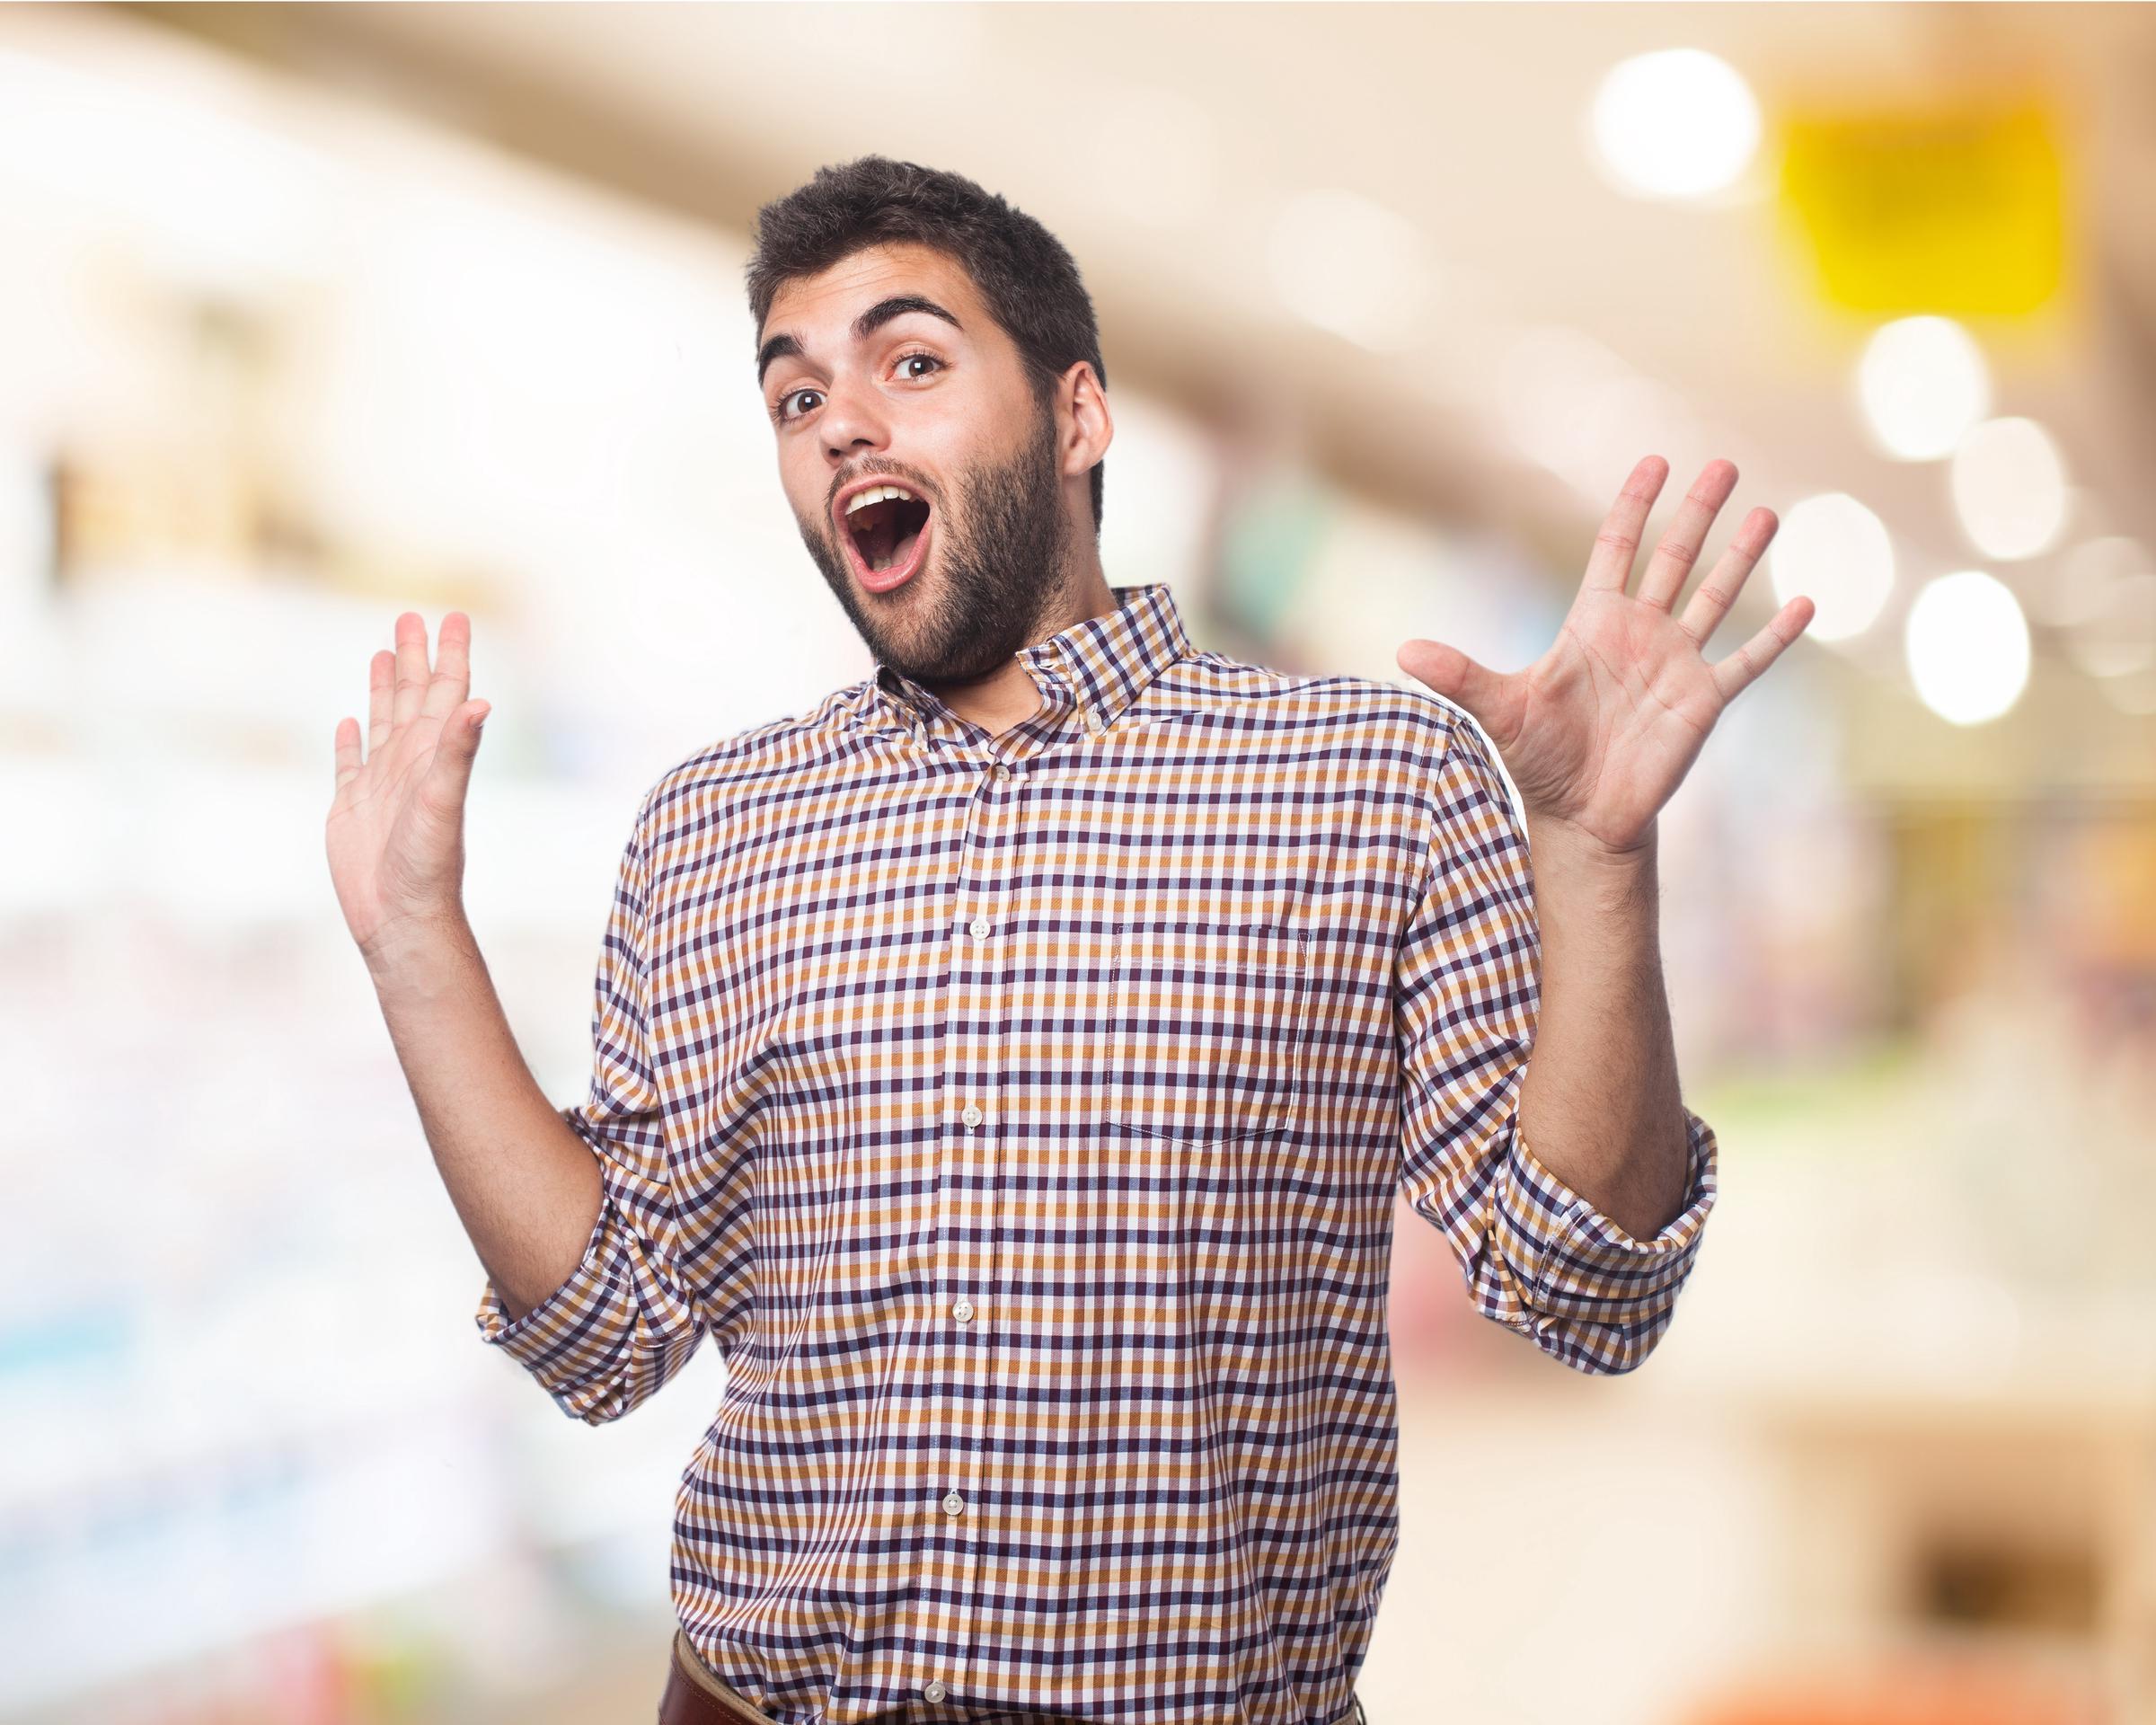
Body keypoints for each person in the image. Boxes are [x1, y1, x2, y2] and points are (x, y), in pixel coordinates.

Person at [325, 156, 1812, 1725]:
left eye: (911, 361)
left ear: (1080, 417)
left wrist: (1593, 854)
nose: (840, 421)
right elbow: (604, 1333)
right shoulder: (715, 828)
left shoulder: (1375, 780)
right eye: (793, 395)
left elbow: (1587, 1288)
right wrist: (415, 939)